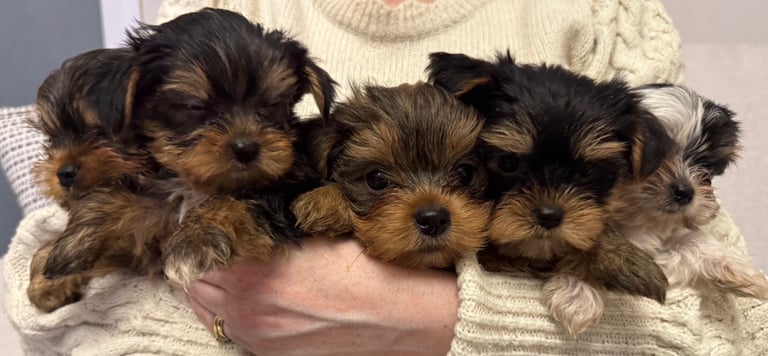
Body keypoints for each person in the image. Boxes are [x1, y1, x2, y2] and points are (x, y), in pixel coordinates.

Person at [1, 0, 766, 355]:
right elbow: (33, 308)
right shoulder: (211, 17)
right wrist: (241, 314)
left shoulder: (605, 19)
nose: (240, 139)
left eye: (475, 171)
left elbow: (734, 335)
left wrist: (432, 321)